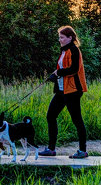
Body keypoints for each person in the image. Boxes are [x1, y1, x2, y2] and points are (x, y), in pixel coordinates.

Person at [37, 25, 88, 159]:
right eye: (59, 37)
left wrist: (59, 72)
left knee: (77, 120)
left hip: (73, 91)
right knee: (50, 116)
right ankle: (51, 149)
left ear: (70, 38)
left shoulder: (74, 50)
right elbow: (64, 69)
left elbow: (74, 69)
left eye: (62, 37)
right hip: (61, 90)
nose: (59, 40)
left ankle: (83, 151)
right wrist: (56, 76)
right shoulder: (64, 51)